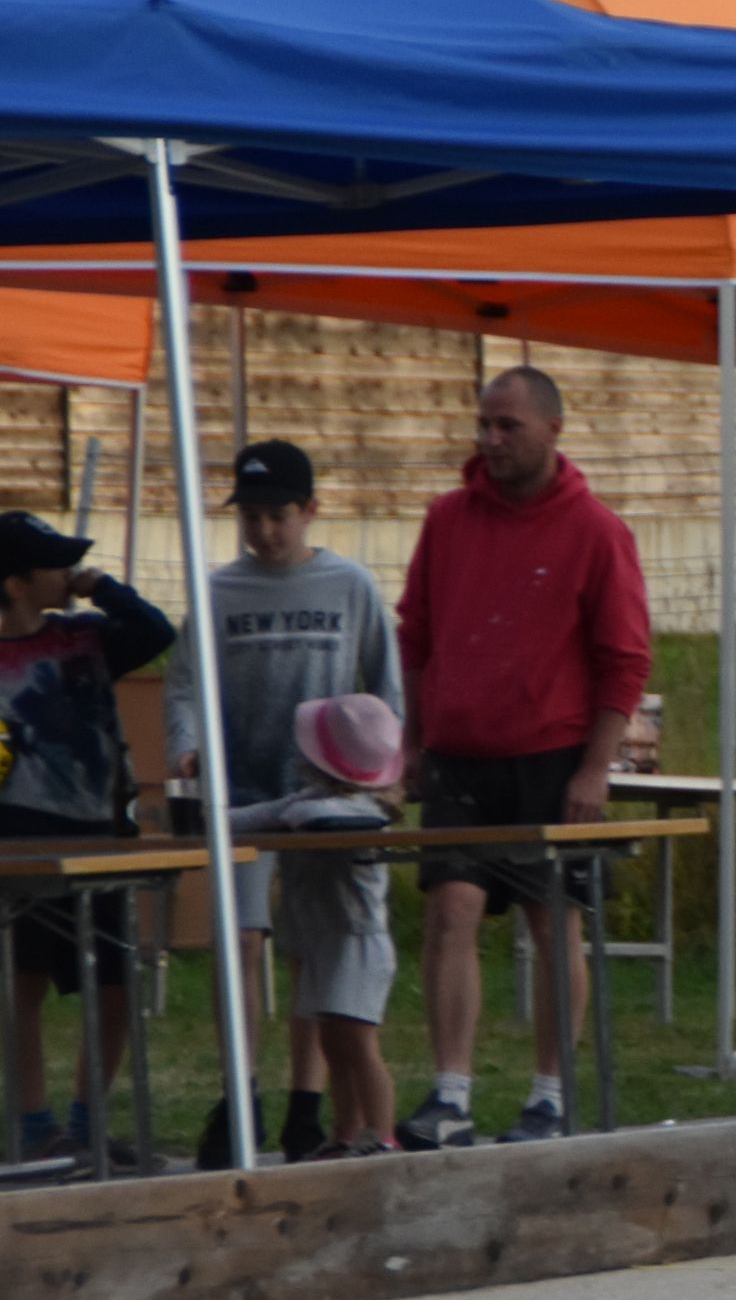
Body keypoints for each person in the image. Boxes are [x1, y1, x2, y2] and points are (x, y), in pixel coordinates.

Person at [393, 366, 651, 1149]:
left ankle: (550, 1094)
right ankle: (451, 1094)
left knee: (552, 921)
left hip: (551, 753)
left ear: (552, 431)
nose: (492, 440)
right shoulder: (448, 519)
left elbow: (624, 659)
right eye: (484, 424)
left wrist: (594, 768)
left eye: (508, 426)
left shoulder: (596, 531)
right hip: (460, 753)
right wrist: (413, 738)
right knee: (451, 909)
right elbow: (417, 635)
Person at [168, 440, 400, 1167]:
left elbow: (385, 683)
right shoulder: (220, 591)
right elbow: (184, 682)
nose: (265, 532)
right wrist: (188, 744)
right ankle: (240, 1092)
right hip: (243, 791)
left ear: (309, 511)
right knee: (240, 940)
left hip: (325, 794)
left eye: (278, 516)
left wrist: (383, 773)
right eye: (252, 518)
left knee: (313, 945)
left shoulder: (348, 585)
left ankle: (308, 1100)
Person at [0, 510, 175, 1170]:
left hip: (99, 830)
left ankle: (88, 1121)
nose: (68, 570)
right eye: (55, 564)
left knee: (113, 981)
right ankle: (34, 1124)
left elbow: (155, 631)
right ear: (16, 584)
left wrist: (102, 587)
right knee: (24, 980)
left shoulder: (86, 638)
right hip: (20, 837)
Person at [224, 695, 403, 1161]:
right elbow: (257, 817)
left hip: (357, 942)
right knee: (332, 1040)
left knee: (359, 1043)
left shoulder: (366, 810)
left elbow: (317, 819)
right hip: (323, 940)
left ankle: (383, 1134)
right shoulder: (305, 803)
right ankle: (345, 1130)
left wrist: (287, 816)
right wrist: (209, 819)